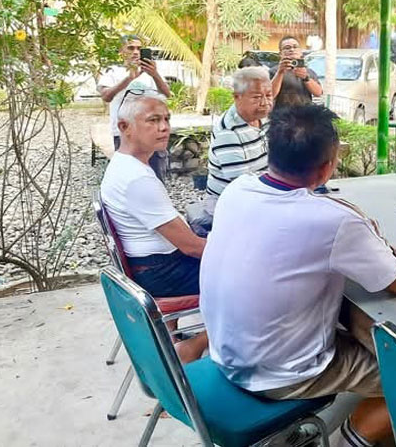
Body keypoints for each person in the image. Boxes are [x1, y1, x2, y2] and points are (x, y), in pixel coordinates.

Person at [200, 104, 396, 447]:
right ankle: (347, 441)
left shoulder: (237, 189)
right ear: (328, 167)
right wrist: (376, 243)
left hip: (228, 352)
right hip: (280, 373)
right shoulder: (335, 220)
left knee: (354, 324)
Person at [99, 91, 207, 362]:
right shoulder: (136, 179)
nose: (164, 127)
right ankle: (193, 346)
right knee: (251, 277)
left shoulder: (123, 164)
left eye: (167, 119)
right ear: (124, 127)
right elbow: (192, 248)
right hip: (161, 273)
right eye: (153, 120)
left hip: (147, 265)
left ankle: (169, 337)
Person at [97, 35, 172, 182]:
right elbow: (106, 96)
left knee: (155, 176)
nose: (136, 52)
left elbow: (167, 94)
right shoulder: (112, 71)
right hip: (125, 134)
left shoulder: (150, 72)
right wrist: (129, 79)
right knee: (128, 177)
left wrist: (155, 74)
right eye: (131, 48)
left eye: (139, 48)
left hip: (152, 133)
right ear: (121, 51)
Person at [204, 66, 274, 218]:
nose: (265, 102)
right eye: (256, 97)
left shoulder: (263, 118)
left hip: (261, 190)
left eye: (269, 95)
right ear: (237, 97)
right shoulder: (228, 132)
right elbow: (242, 186)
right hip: (230, 201)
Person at [269, 35, 323, 107]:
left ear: (301, 52)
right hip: (282, 112)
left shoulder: (309, 72)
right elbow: (270, 94)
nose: (292, 50)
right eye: (287, 48)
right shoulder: (274, 71)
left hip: (306, 111)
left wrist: (306, 78)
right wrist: (280, 73)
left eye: (295, 47)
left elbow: (318, 93)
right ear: (280, 54)